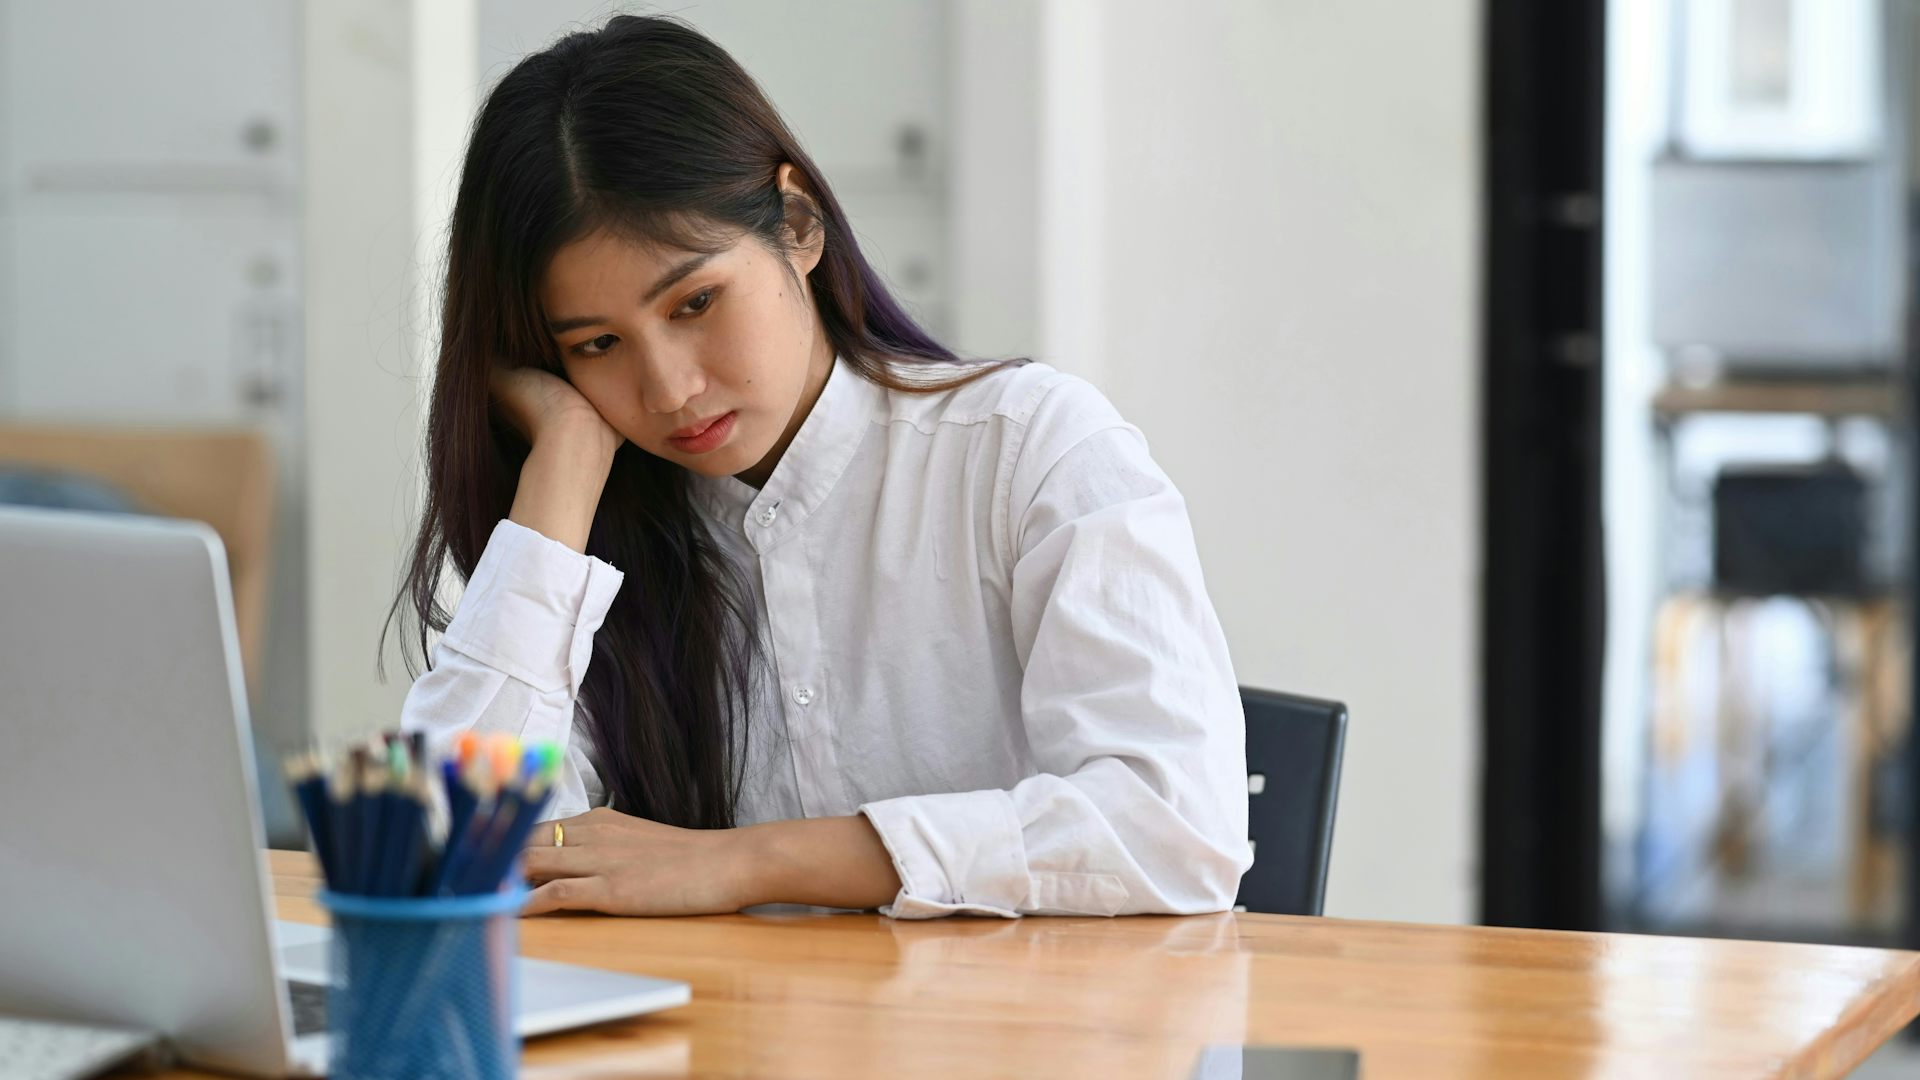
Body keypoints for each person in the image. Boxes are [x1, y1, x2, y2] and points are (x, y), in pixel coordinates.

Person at [392, 13, 1250, 919]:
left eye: (694, 302)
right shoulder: (592, 534)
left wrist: (748, 863)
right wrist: (560, 472)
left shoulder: (1027, 451)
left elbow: (1176, 828)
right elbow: (445, 854)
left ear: (798, 225)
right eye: (598, 344)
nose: (670, 389)